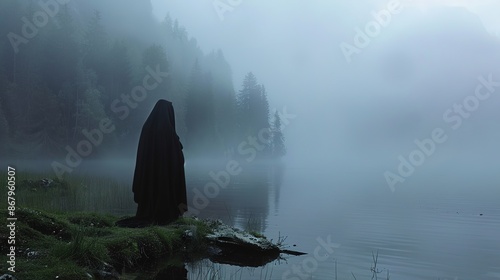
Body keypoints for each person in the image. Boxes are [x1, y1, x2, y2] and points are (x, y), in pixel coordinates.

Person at [132, 99, 187, 225]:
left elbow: (141, 155)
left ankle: (147, 211)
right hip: (165, 177)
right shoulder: (169, 132)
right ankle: (165, 214)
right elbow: (177, 158)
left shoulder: (147, 127)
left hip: (149, 175)